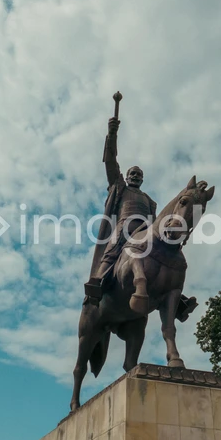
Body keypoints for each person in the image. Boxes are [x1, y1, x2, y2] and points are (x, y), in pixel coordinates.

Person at [84, 117, 156, 302]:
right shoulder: (120, 187)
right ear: (127, 176)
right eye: (133, 173)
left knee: (163, 253)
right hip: (125, 225)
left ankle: (176, 298)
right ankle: (98, 279)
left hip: (146, 230)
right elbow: (110, 161)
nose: (135, 176)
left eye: (139, 174)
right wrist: (112, 134)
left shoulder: (149, 200)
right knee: (112, 250)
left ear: (142, 179)